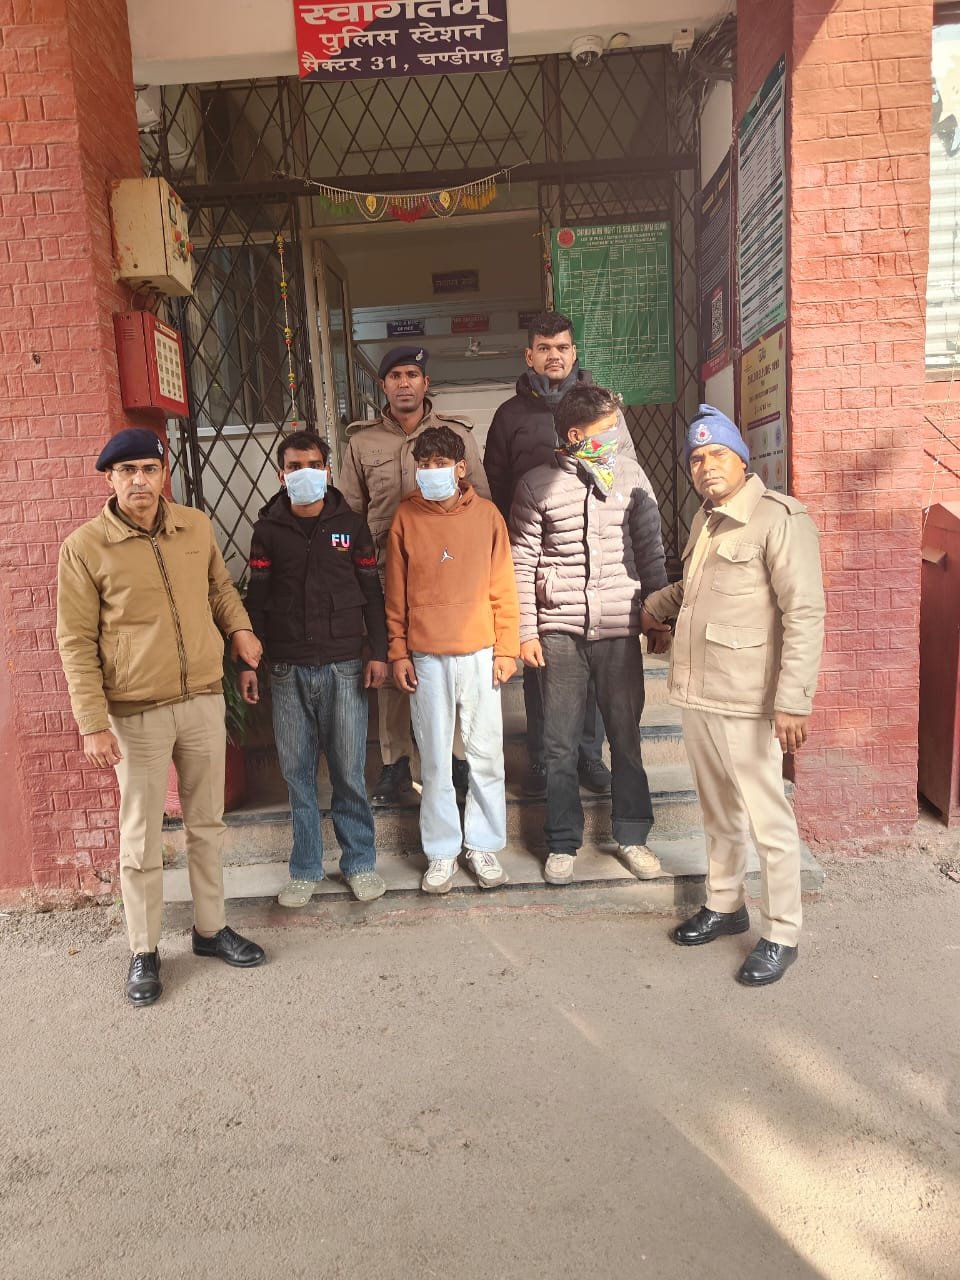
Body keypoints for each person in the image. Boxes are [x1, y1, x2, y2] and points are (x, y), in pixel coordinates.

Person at [56, 428, 266, 1007]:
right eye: (127, 472)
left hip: (202, 699)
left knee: (207, 824)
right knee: (142, 835)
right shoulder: (85, 547)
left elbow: (219, 589)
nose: (140, 481)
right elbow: (75, 641)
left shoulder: (194, 527)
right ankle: (144, 949)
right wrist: (92, 722)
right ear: (110, 479)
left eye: (149, 469)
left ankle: (210, 929)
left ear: (163, 473)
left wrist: (240, 630)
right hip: (136, 712)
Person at [641, 405, 826, 986]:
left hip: (749, 696)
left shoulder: (779, 518)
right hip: (700, 690)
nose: (705, 466)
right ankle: (726, 904)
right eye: (696, 458)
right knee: (718, 811)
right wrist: (653, 607)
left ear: (743, 460)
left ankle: (782, 932)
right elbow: (696, 589)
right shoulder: (707, 519)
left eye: (716, 453)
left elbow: (805, 612)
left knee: (768, 821)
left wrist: (793, 700)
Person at [484, 311, 649, 798]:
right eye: (544, 348)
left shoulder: (602, 408)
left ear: (574, 352)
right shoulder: (509, 416)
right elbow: (496, 482)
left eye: (561, 347)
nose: (553, 355)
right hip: (541, 554)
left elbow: (627, 471)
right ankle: (543, 756)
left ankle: (588, 755)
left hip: (599, 555)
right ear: (529, 355)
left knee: (596, 667)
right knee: (542, 667)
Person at [510, 384, 669, 886]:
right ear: (576, 435)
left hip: (620, 625)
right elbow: (520, 565)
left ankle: (633, 836)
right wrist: (525, 631)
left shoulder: (630, 476)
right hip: (559, 630)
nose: (617, 436)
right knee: (558, 744)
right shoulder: (537, 484)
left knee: (625, 737)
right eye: (608, 429)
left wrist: (657, 613)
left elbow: (651, 549)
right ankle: (562, 842)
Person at [237, 431, 389, 909]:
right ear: (281, 475)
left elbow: (372, 593)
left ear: (327, 470)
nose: (304, 473)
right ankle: (305, 869)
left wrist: (379, 652)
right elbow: (257, 600)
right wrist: (248, 663)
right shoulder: (268, 531)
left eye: (313, 464)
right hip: (287, 670)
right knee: (297, 775)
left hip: (345, 667)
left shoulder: (352, 526)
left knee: (349, 772)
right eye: (294, 466)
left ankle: (359, 863)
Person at [338, 346, 491, 805]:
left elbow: (480, 501)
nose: (403, 383)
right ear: (382, 385)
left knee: (449, 661)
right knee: (392, 661)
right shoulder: (362, 443)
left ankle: (456, 757)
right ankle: (396, 762)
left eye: (412, 374)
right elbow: (350, 513)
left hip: (446, 571)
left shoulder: (455, 434)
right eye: (395, 376)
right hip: (385, 570)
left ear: (426, 383)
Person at [385, 426, 519, 894]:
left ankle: (483, 845)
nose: (431, 472)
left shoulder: (487, 516)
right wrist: (398, 650)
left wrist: (507, 648)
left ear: (461, 469)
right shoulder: (405, 517)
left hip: (480, 651)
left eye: (440, 464)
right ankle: (441, 852)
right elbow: (395, 594)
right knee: (436, 761)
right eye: (423, 465)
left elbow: (503, 587)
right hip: (426, 656)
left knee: (486, 755)